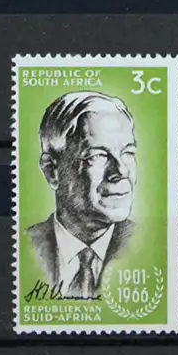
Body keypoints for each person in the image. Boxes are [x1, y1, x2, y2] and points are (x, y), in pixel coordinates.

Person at [24, 93, 137, 298]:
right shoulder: (22, 247)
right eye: (98, 155)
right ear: (52, 171)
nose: (121, 171)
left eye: (128, 153)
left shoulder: (155, 247)